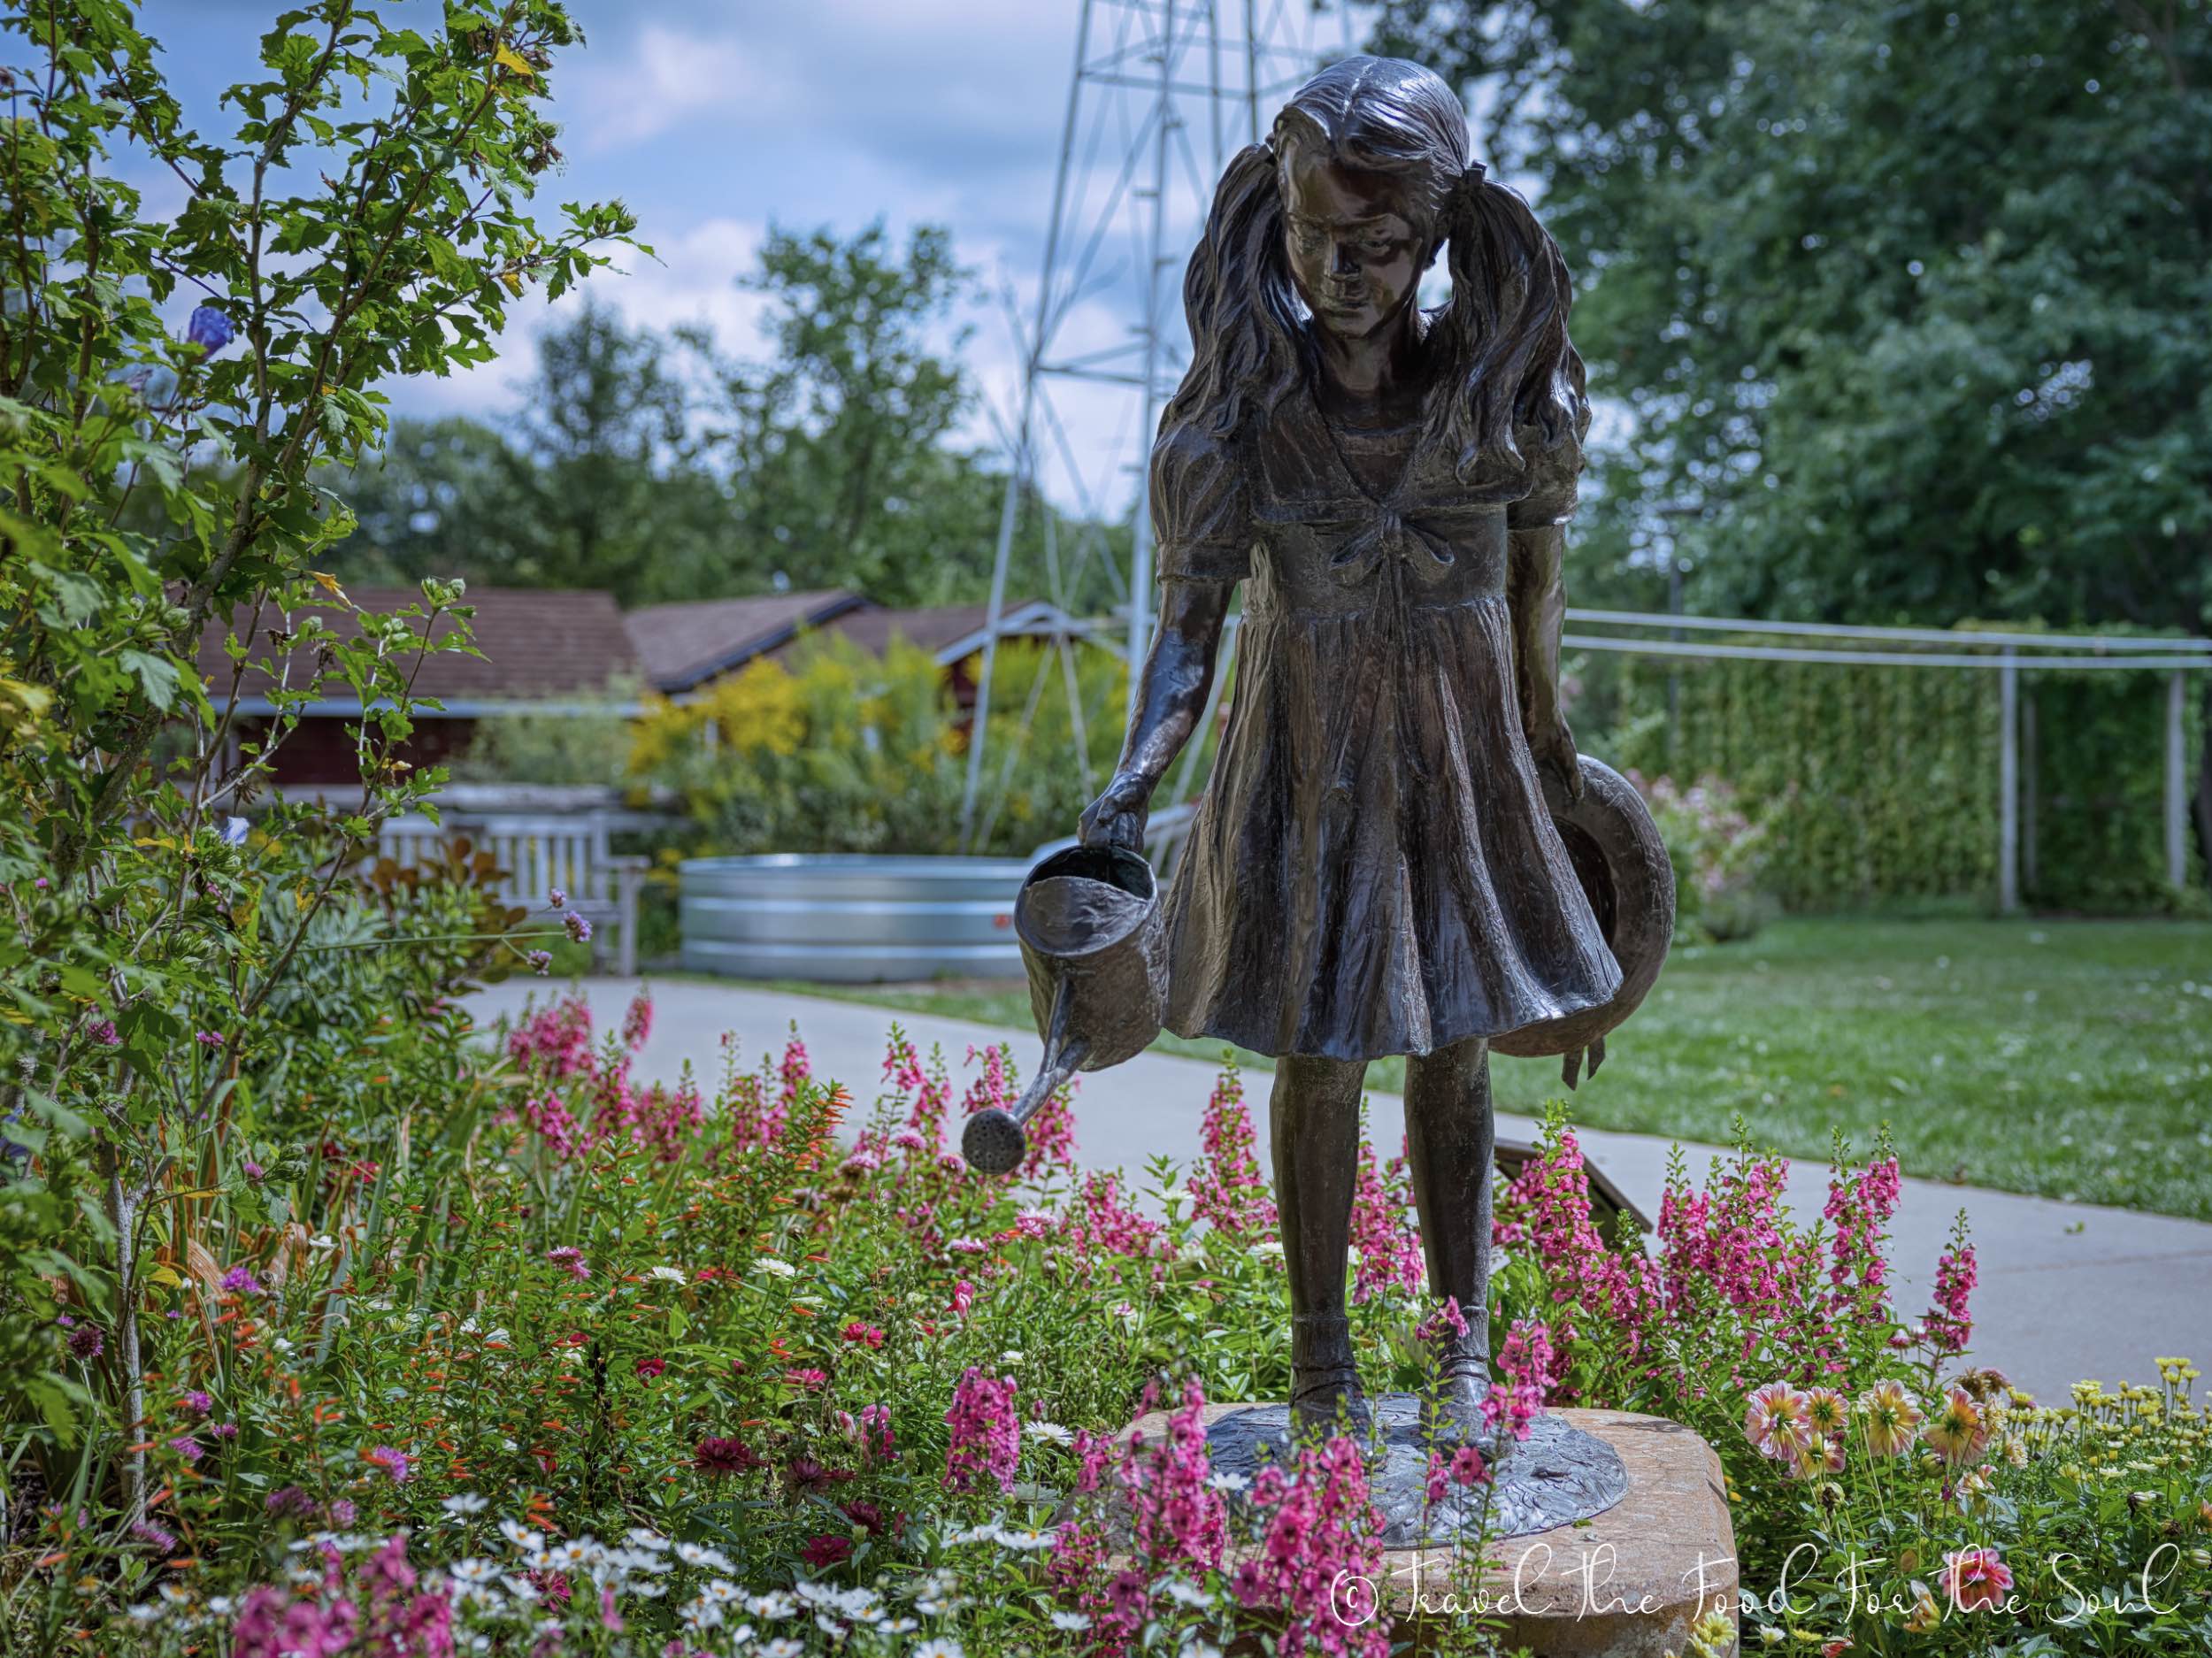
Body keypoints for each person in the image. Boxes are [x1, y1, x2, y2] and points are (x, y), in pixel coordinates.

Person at [1078, 56, 1621, 1436]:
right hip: (1302, 766)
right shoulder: (1236, 424)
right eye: (1317, 236)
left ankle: (1463, 1350)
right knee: (1317, 1048)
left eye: (1378, 244)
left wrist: (1551, 746)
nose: (1342, 269)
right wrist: (1137, 776)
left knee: (1454, 1043)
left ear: (1435, 237)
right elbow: (1187, 629)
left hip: (1462, 766)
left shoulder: (1503, 404)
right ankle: (1323, 1365)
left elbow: (1536, 593)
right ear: (1277, 216)